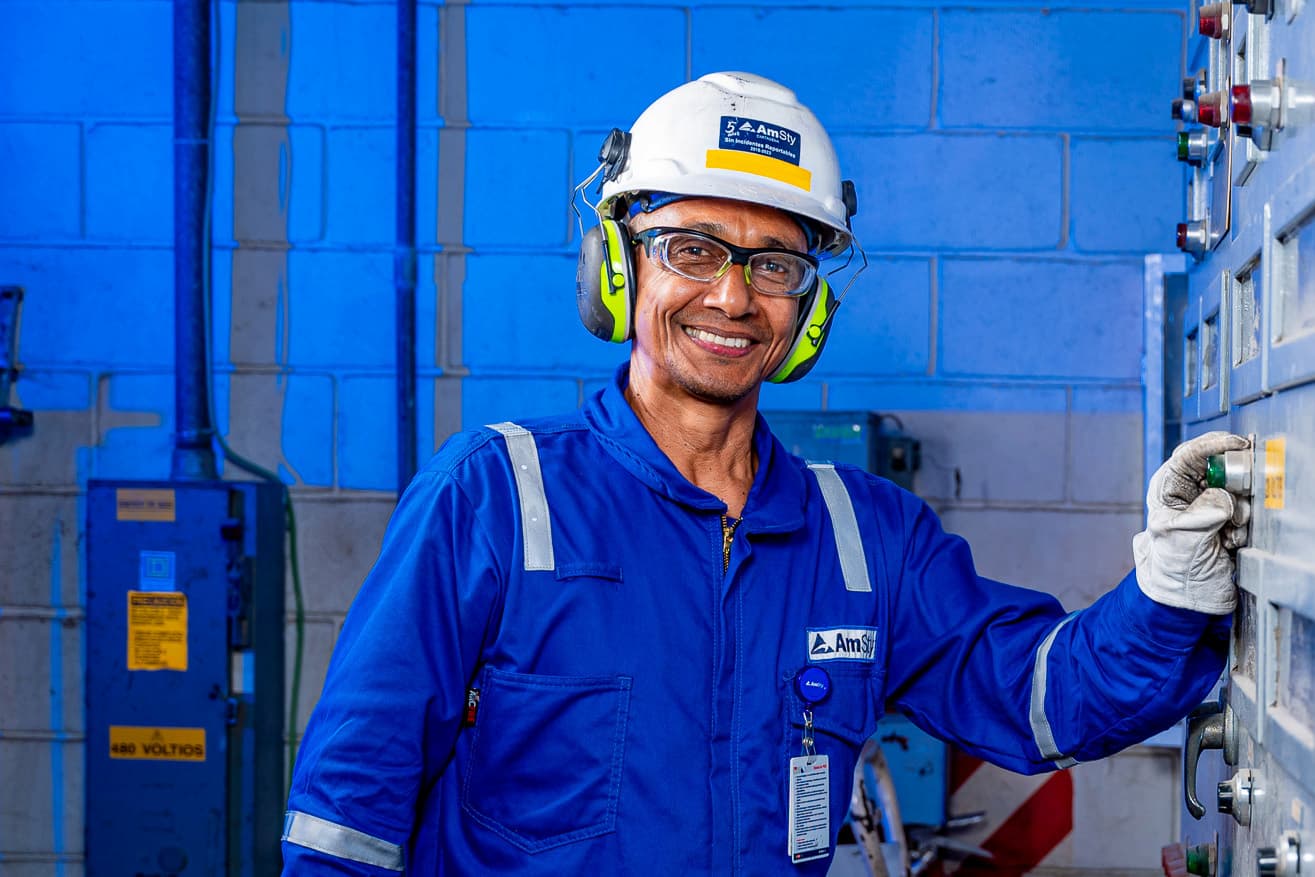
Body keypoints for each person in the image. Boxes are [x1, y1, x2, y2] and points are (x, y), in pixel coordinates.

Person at [281, 72, 1249, 875]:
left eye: (775, 263)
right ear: (618, 267)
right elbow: (343, 821)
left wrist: (1167, 591)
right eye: (691, 249)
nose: (732, 295)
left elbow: (1044, 698)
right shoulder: (493, 499)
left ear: (806, 307)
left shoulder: (870, 542)